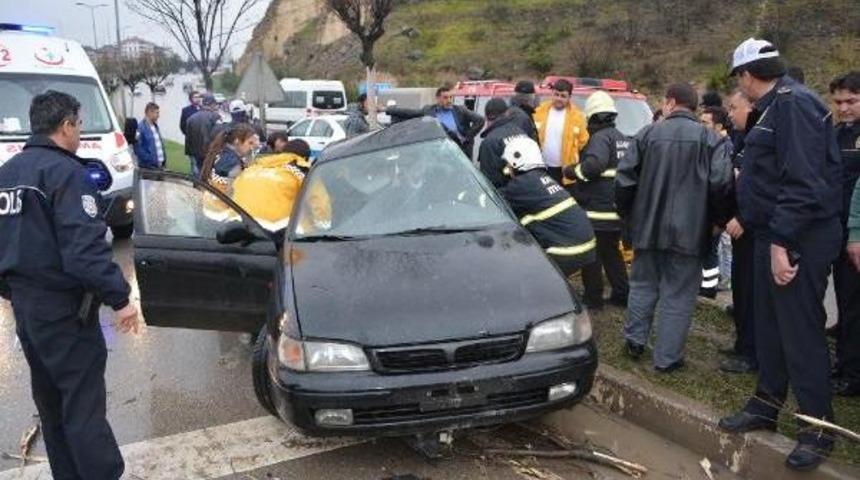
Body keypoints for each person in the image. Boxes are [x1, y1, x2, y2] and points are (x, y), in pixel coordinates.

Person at [718, 38, 843, 472]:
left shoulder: (794, 105)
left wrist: (781, 244)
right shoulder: (774, 107)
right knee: (769, 326)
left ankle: (818, 427)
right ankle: (766, 402)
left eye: (739, 77)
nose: (741, 85)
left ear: (748, 75)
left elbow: (803, 183)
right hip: (772, 231)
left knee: (800, 331)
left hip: (798, 238)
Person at [0, 90, 139, 479]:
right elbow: (84, 251)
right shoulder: (66, 173)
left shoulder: (8, 174)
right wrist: (121, 298)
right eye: (78, 125)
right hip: (64, 312)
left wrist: (15, 291)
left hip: (28, 311)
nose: (78, 132)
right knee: (82, 405)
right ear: (66, 126)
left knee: (52, 405)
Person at [616, 83, 732, 373]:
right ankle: (667, 359)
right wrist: (719, 221)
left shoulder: (647, 134)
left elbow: (624, 180)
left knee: (642, 285)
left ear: (669, 102)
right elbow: (722, 184)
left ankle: (634, 341)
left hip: (647, 228)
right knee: (678, 295)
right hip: (691, 233)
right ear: (694, 107)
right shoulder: (711, 139)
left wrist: (628, 217)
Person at [497, 134, 596, 277]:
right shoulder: (542, 178)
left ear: (515, 161)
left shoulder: (522, 184)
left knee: (524, 279)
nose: (506, 167)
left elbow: (492, 200)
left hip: (566, 251)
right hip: (585, 246)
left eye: (508, 163)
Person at [564, 91, 630, 309]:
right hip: (616, 210)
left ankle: (593, 299)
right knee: (612, 253)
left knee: (591, 256)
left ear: (592, 117)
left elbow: (594, 166)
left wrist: (573, 171)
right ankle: (622, 294)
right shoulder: (621, 138)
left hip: (597, 212)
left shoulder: (600, 138)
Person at [720, 89, 758, 375]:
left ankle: (752, 353)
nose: (730, 114)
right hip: (740, 229)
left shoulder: (764, 140)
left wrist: (745, 217)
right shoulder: (743, 139)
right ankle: (743, 344)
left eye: (735, 108)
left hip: (755, 231)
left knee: (752, 293)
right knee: (741, 291)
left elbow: (767, 187)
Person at [830, 71, 860, 396]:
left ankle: (852, 374)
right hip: (836, 233)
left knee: (854, 307)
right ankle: (845, 363)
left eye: (851, 101)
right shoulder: (836, 134)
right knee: (845, 302)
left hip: (856, 236)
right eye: (839, 102)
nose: (844, 108)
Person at [385, 85, 485, 157]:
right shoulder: (428, 110)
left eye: (451, 97)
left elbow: (480, 120)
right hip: (439, 153)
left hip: (460, 151)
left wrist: (467, 138)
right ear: (437, 98)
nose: (449, 100)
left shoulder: (460, 110)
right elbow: (410, 113)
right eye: (445, 97)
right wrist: (387, 110)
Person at [699, 105, 732, 299]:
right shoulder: (709, 144)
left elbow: (721, 185)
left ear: (718, 126)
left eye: (705, 123)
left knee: (710, 251)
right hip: (706, 210)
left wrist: (719, 219)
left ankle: (708, 290)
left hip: (713, 212)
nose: (700, 126)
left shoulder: (723, 147)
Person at [533, 79, 589, 186]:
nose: (559, 98)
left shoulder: (577, 117)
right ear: (552, 93)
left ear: (569, 97)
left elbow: (583, 141)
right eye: (556, 95)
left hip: (565, 171)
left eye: (563, 96)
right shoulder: (539, 111)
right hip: (541, 168)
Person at [478, 98, 525, 188]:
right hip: (527, 188)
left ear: (486, 117)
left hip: (506, 194)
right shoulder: (520, 132)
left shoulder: (490, 141)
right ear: (507, 113)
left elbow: (490, 179)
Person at [185, 94, 223, 178]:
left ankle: (198, 188)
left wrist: (189, 153)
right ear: (212, 104)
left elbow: (188, 139)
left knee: (199, 174)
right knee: (212, 176)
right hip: (211, 153)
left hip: (197, 154)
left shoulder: (191, 118)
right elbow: (220, 136)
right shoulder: (215, 117)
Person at [134, 102, 166, 170]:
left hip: (160, 166)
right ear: (149, 113)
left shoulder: (155, 126)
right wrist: (151, 160)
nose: (158, 115)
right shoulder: (140, 128)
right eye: (156, 113)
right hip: (149, 168)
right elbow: (138, 149)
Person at [180, 91, 202, 174]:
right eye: (195, 97)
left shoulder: (203, 109)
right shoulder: (186, 110)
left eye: (199, 97)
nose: (197, 99)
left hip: (202, 143)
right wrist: (190, 135)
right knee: (194, 164)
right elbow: (182, 126)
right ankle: (195, 183)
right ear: (191, 99)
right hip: (191, 142)